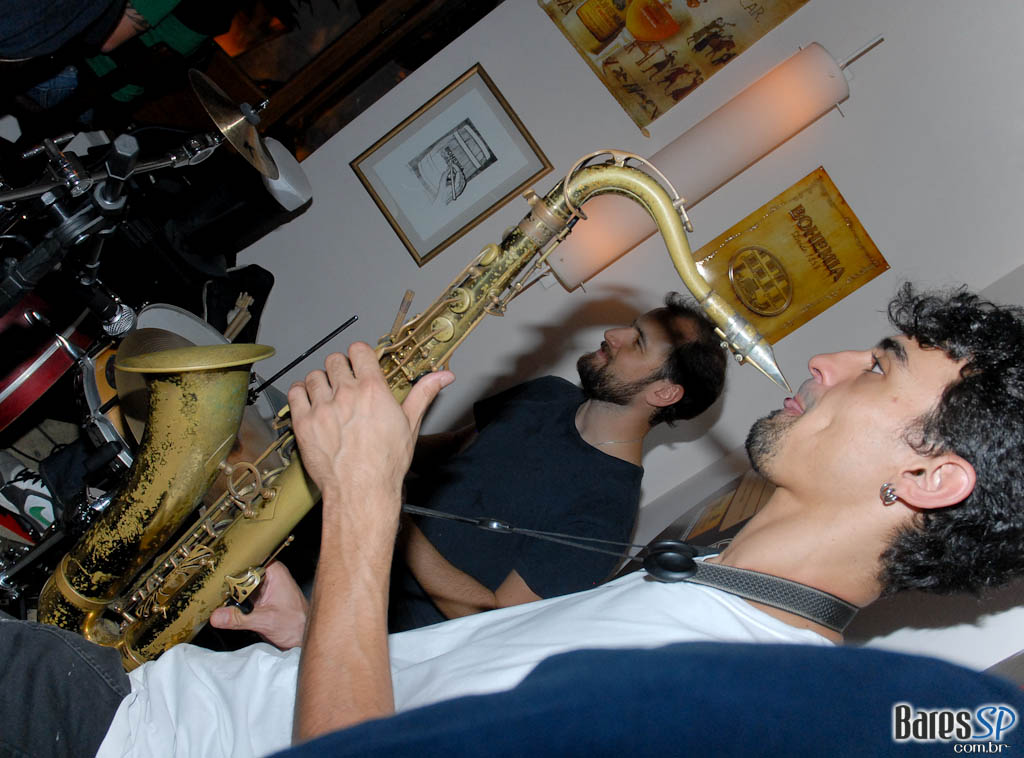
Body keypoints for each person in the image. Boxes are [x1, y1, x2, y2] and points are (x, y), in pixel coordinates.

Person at [3, 284, 1024, 758]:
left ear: (930, 477)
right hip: (160, 700)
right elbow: (445, 702)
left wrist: (364, 504)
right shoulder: (703, 590)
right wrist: (312, 629)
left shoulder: (722, 697)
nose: (826, 361)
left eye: (880, 366)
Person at [379, 292, 727, 631]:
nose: (612, 334)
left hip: (386, 626)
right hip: (359, 542)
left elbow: (495, 617)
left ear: (664, 392)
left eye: (637, 342)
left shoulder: (608, 514)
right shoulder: (548, 392)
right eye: (630, 326)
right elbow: (456, 446)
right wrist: (379, 443)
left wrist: (394, 518)